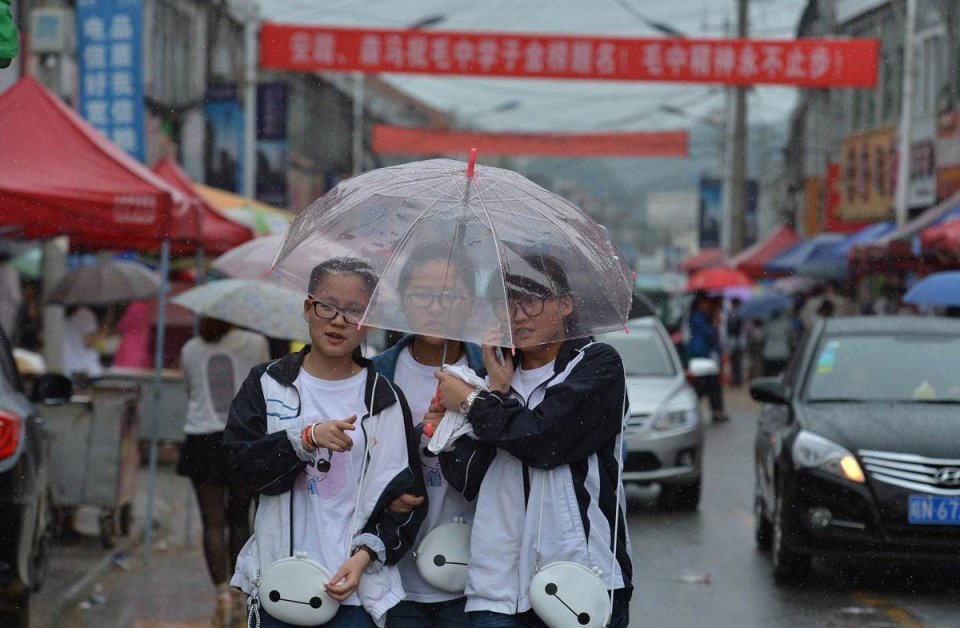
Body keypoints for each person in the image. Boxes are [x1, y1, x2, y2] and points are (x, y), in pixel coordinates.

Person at [429, 254, 632, 628]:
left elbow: (545, 442)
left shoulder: (597, 366)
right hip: (497, 586)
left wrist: (474, 405)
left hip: (581, 578)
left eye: (532, 301)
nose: (519, 315)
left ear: (566, 304)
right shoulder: (483, 380)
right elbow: (466, 478)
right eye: (507, 303)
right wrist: (495, 392)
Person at [223, 257, 427, 628]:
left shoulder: (383, 399)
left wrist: (364, 556)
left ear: (369, 320)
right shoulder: (268, 383)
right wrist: (305, 440)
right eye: (327, 306)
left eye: (353, 311)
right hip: (278, 588)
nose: (338, 320)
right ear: (307, 308)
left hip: (353, 596)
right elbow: (240, 468)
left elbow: (406, 503)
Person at [371, 248, 484, 628]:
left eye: (452, 296)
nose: (437, 307)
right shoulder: (375, 377)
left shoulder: (492, 374)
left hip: (475, 577)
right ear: (403, 299)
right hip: (394, 577)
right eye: (422, 295)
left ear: (471, 302)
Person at [176, 316, 269, 627]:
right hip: (242, 439)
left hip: (202, 441)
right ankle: (241, 595)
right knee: (240, 518)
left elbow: (190, 391)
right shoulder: (255, 343)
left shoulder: (190, 348)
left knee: (212, 521)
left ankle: (222, 598)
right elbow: (264, 387)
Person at [686, 293, 728, 422]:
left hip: (706, 356)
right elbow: (709, 333)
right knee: (705, 384)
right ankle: (714, 409)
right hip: (700, 356)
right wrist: (714, 323)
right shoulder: (697, 317)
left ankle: (716, 409)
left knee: (710, 384)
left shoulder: (704, 317)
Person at [62, 305, 106, 379]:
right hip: (86, 371)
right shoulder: (85, 315)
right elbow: (90, 342)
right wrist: (103, 330)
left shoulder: (65, 317)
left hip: (70, 368)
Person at [112, 300, 153, 369]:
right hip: (141, 346)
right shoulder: (145, 308)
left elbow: (122, 325)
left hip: (130, 345)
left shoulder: (134, 306)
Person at [761, 308, 795, 376]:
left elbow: (763, 339)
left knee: (768, 375)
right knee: (782, 376)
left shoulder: (767, 324)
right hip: (783, 354)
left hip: (769, 354)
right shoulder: (787, 324)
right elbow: (792, 340)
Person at [725, 298, 746, 387]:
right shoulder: (730, 315)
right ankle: (735, 380)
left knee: (737, 362)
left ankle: (738, 380)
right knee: (734, 362)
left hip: (736, 341)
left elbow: (742, 331)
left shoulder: (740, 315)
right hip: (733, 341)